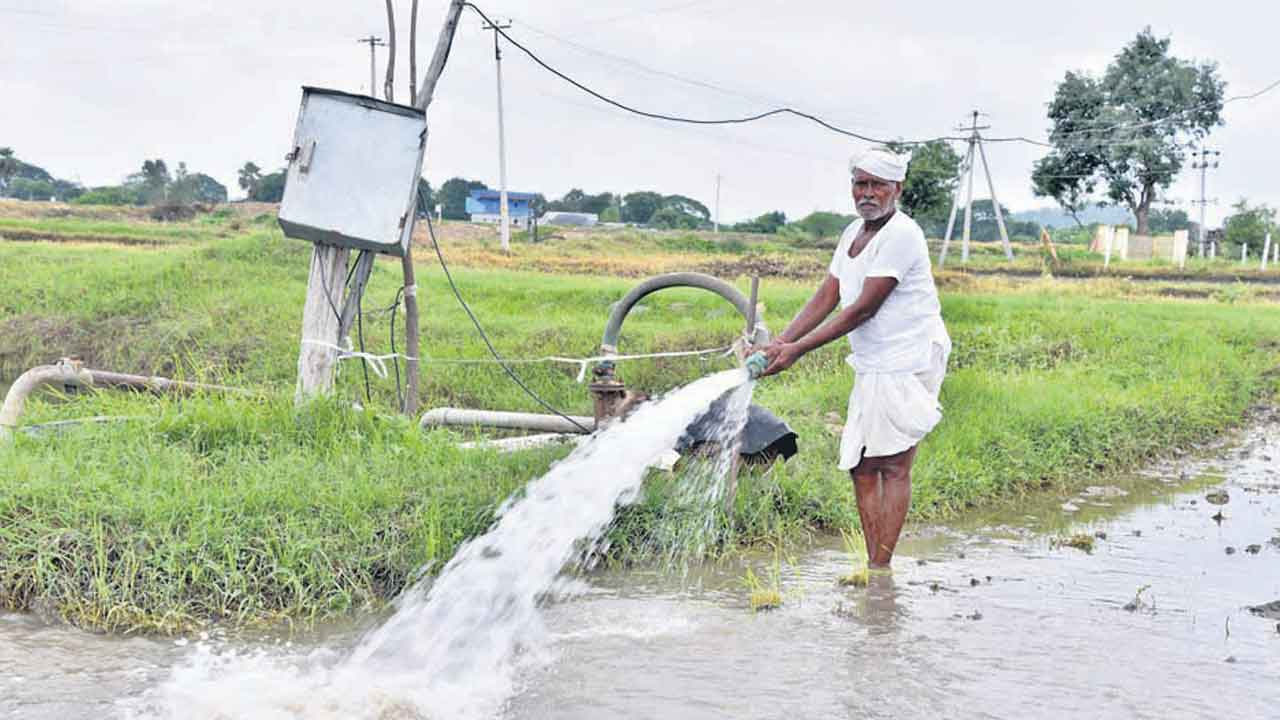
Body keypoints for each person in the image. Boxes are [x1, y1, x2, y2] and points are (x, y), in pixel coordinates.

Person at [757, 148, 951, 569]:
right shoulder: (852, 233)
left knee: (893, 465)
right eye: (860, 184)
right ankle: (875, 564)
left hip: (908, 357)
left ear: (896, 188)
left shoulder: (902, 234)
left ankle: (880, 570)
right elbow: (828, 295)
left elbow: (863, 309)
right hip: (875, 360)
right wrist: (781, 342)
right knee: (863, 467)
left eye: (877, 185)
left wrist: (796, 352)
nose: (867, 193)